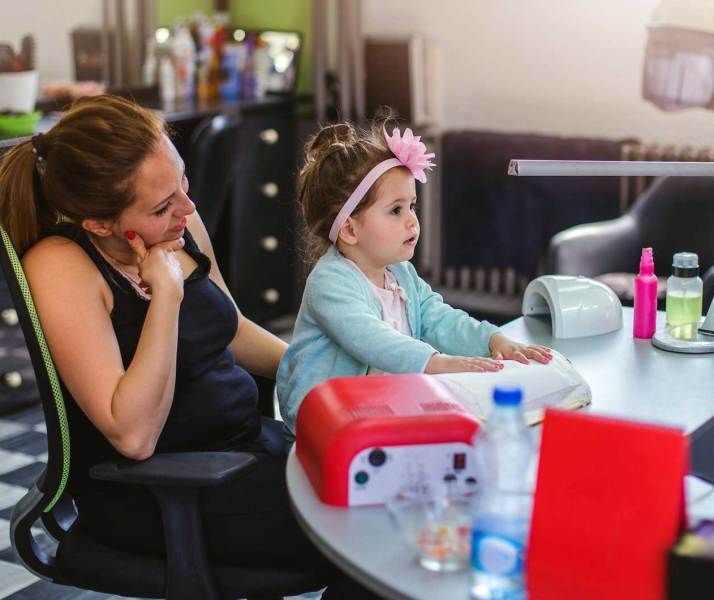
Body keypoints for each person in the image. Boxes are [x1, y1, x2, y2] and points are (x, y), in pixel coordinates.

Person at [0, 95, 380, 599]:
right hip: (164, 491)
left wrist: (332, 377)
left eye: (182, 179)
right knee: (381, 527)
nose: (188, 207)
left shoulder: (180, 225)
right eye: (162, 205)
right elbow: (133, 436)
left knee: (401, 481)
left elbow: (232, 329)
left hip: (246, 450)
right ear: (98, 223)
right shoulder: (62, 267)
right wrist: (167, 297)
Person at [277, 120, 553, 440]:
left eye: (411, 205)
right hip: (323, 424)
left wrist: (492, 341)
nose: (412, 220)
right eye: (395, 210)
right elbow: (372, 339)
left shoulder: (400, 273)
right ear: (350, 230)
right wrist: (437, 363)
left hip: (378, 406)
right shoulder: (330, 282)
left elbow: (438, 318)